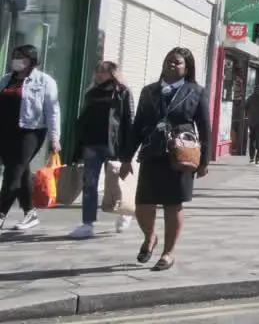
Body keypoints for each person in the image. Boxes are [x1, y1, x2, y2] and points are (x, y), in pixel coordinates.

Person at [120, 47, 210, 271]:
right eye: (169, 60)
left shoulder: (196, 91)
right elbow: (138, 125)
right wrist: (126, 158)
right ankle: (150, 237)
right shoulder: (149, 91)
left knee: (173, 205)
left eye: (177, 62)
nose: (172, 64)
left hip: (181, 155)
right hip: (152, 152)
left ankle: (168, 253)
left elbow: (205, 128)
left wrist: (204, 161)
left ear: (186, 68)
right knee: (143, 203)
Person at [71, 61, 135, 238]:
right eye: (97, 70)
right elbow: (83, 121)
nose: (99, 74)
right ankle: (87, 223)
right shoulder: (92, 93)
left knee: (116, 183)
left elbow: (129, 121)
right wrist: (78, 149)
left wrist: (129, 151)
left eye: (104, 71)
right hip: (92, 144)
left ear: (113, 73)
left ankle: (125, 211)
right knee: (89, 184)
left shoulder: (123, 92)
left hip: (114, 145)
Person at [0, 44, 60, 231]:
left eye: (21, 57)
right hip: (5, 132)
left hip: (30, 131)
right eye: (14, 56)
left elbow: (53, 110)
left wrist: (54, 137)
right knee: (22, 171)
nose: (16, 60)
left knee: (13, 172)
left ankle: (1, 213)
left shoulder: (44, 81)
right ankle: (30, 212)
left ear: (31, 61)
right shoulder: (5, 79)